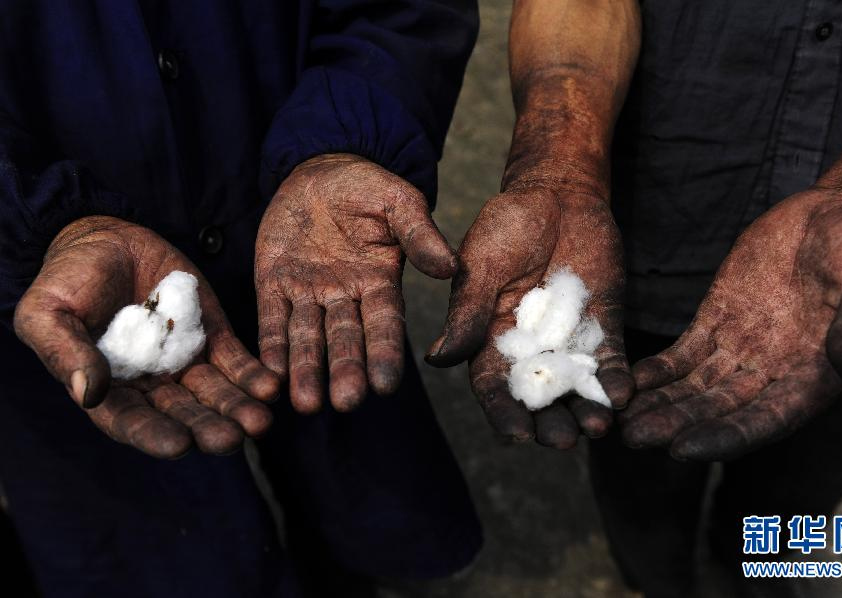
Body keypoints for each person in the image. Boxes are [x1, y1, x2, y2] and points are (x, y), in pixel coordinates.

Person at [0, 1, 482, 596]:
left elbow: (401, 12)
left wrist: (343, 140)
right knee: (164, 550)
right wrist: (40, 222)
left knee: (355, 500)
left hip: (289, 251)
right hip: (52, 297)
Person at [428, 0, 842, 596]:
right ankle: (660, 579)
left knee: (803, 489)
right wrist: (557, 168)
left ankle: (761, 569)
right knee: (642, 472)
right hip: (662, 212)